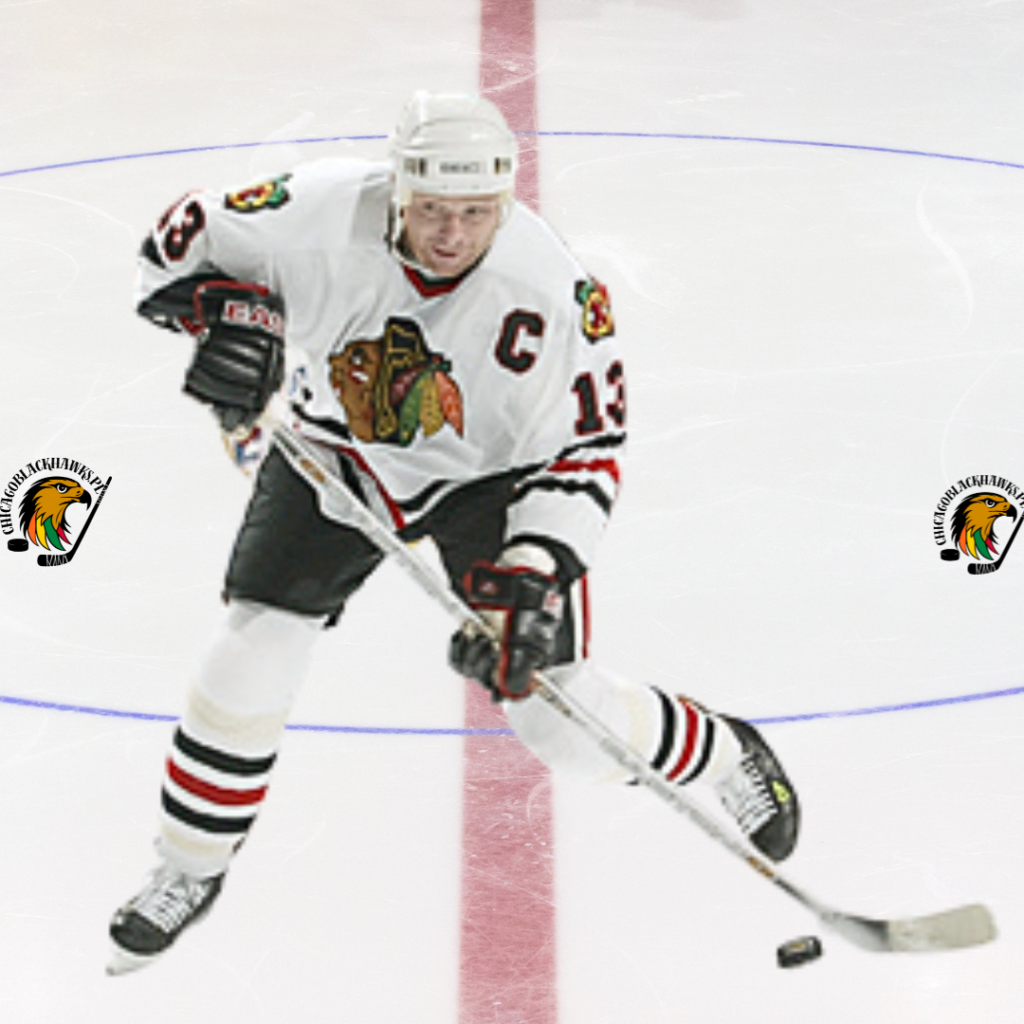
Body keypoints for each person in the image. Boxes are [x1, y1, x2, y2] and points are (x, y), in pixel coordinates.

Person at [108, 91, 800, 974]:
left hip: (496, 482)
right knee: (246, 654)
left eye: (475, 213)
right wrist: (226, 316)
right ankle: (188, 866)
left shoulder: (552, 291)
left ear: (505, 199)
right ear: (398, 187)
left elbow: (588, 449)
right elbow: (168, 254)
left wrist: (532, 571)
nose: (450, 234)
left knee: (556, 721)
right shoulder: (309, 215)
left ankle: (722, 750)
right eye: (432, 208)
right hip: (339, 450)